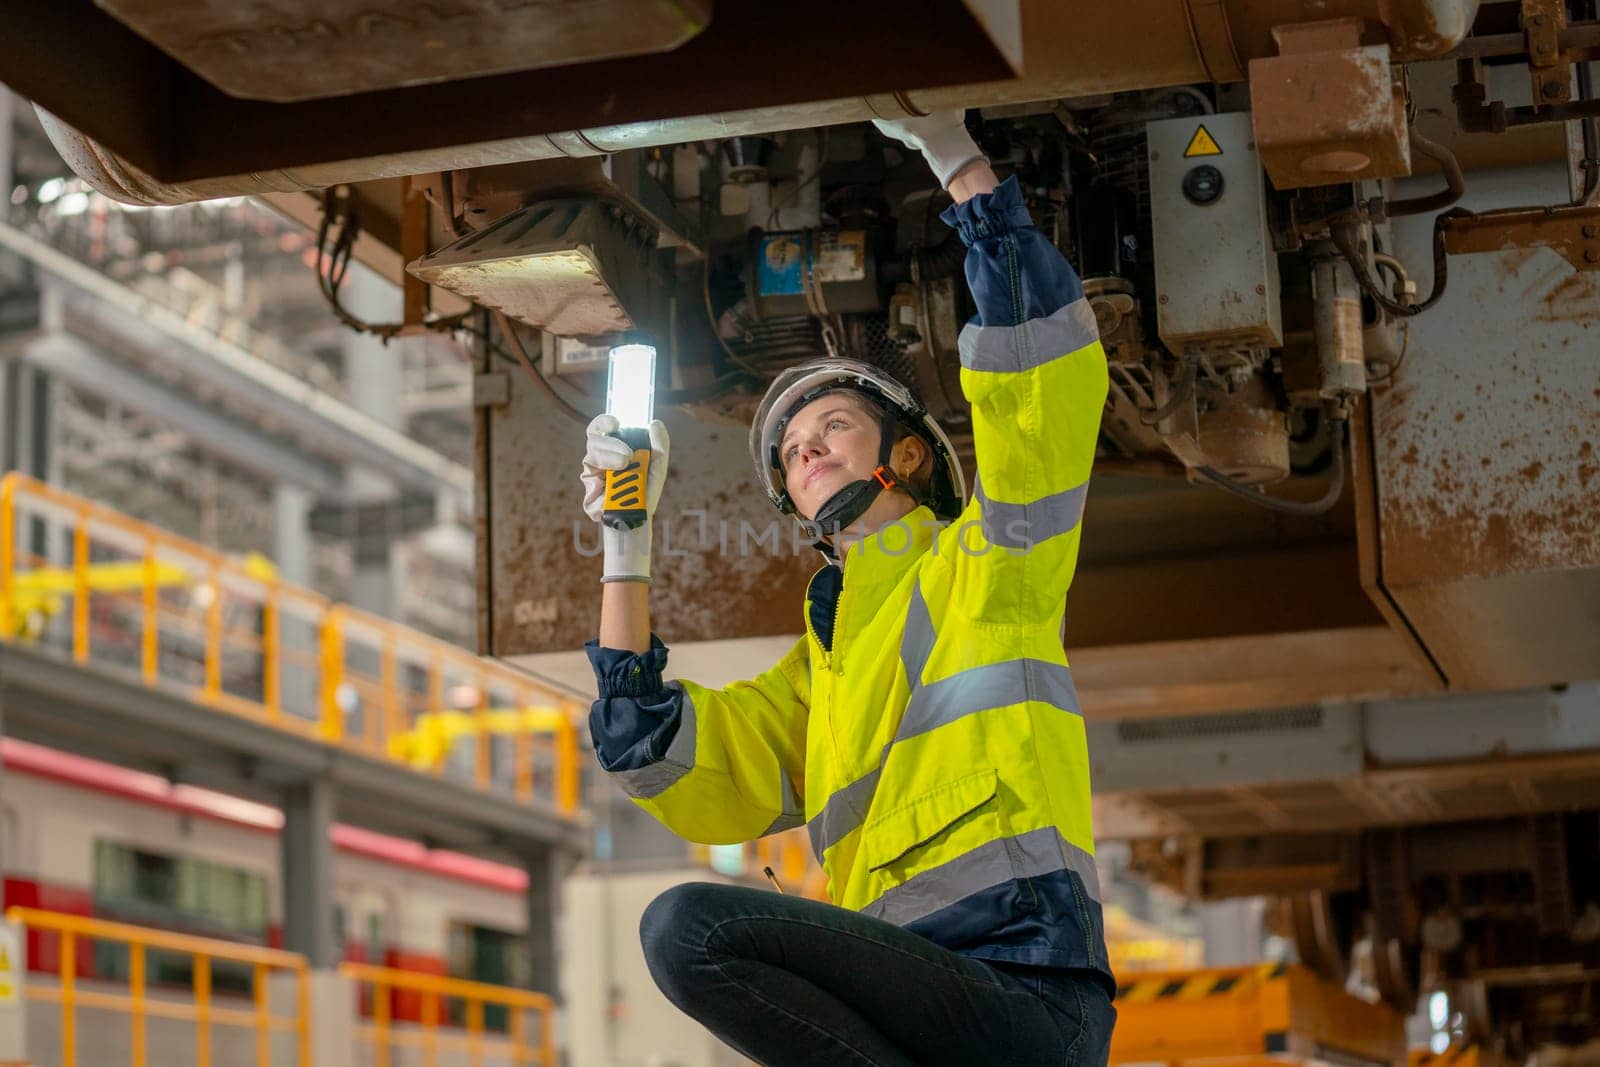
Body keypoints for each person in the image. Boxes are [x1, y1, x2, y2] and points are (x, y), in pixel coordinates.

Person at [578, 111, 1115, 1066]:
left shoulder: (989, 563)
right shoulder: (819, 672)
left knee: (693, 926)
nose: (806, 447)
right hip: (908, 1004)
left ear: (905, 454)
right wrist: (626, 539)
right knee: (678, 933)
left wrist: (957, 163)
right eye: (791, 450)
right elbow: (650, 752)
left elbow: (1042, 385)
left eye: (830, 425)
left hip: (1025, 989)